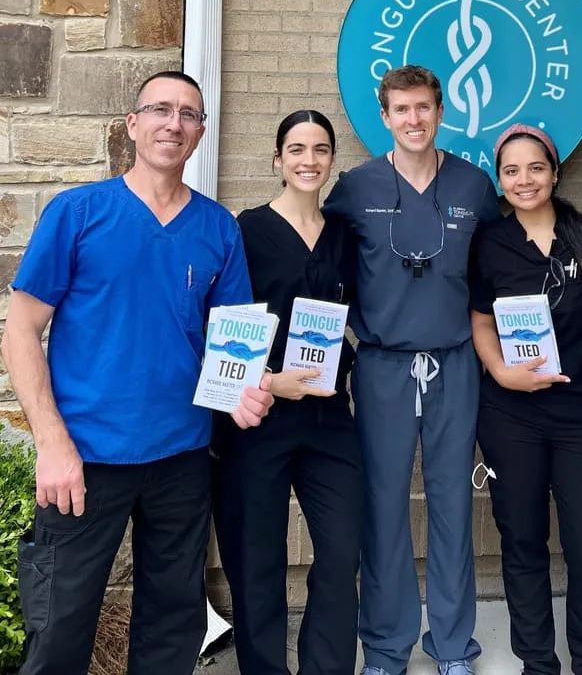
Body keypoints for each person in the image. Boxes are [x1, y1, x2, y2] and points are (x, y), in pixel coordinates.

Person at [2, 71, 273, 675]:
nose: (173, 123)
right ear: (133, 124)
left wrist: (244, 392)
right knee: (59, 630)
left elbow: (231, 342)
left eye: (188, 114)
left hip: (182, 458)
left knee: (172, 631)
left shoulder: (218, 228)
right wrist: (51, 443)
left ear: (200, 132)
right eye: (160, 110)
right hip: (84, 458)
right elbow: (19, 333)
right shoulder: (78, 213)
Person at [324, 65, 501, 675]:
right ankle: (385, 646)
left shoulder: (474, 186)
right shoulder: (356, 188)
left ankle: (452, 646)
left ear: (440, 111)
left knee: (453, 504)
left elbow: (498, 270)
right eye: (401, 109)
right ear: (384, 117)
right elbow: (323, 261)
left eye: (423, 107)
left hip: (455, 364)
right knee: (383, 507)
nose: (414, 119)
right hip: (382, 366)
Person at [212, 110, 362, 675]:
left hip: (329, 417)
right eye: (296, 149)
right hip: (260, 417)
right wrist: (269, 381)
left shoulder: (344, 234)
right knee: (257, 560)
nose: (308, 160)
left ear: (331, 160)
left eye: (320, 149)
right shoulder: (246, 230)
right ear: (277, 160)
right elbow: (224, 326)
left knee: (342, 549)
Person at [469, 124, 582, 675]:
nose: (524, 180)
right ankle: (537, 661)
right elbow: (480, 319)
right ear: (499, 180)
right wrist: (501, 371)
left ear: (554, 172)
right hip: (511, 416)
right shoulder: (489, 242)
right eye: (511, 171)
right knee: (523, 539)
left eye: (535, 168)